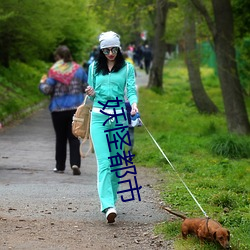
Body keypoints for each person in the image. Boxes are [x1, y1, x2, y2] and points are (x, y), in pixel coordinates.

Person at [85, 31, 138, 223]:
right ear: (101, 50)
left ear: (119, 48)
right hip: (99, 118)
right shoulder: (93, 68)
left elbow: (131, 90)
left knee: (116, 164)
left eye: (113, 49)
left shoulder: (127, 68)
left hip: (119, 119)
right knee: (105, 163)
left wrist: (133, 104)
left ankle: (112, 201)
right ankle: (107, 205)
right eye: (106, 50)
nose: (110, 53)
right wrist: (90, 92)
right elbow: (91, 97)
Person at [39, 45, 88, 175]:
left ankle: (60, 166)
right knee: (74, 137)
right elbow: (86, 87)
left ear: (58, 57)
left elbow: (47, 90)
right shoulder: (79, 70)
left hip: (58, 109)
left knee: (60, 138)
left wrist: (42, 83)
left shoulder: (54, 71)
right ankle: (75, 163)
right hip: (75, 109)